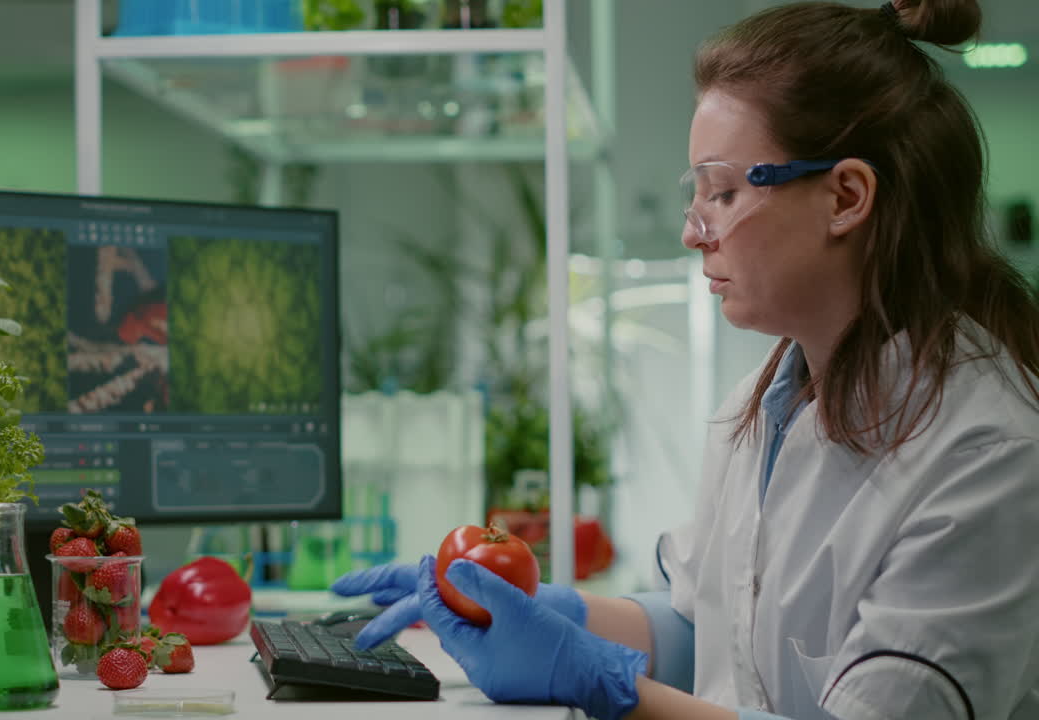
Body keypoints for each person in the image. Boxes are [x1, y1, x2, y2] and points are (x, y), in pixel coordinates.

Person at [330, 1, 1039, 718]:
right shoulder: (759, 409)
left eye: (723, 192)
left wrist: (606, 687)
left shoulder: (986, 452)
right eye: (695, 193)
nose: (693, 231)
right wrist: (535, 610)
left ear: (846, 196)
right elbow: (707, 629)